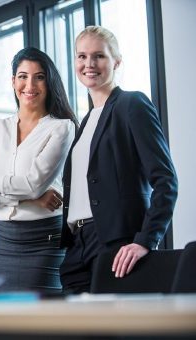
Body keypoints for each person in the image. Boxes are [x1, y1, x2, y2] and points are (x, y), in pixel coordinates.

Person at [59, 26, 178, 294]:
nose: (89, 64)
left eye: (99, 56)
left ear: (117, 61)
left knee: (115, 332)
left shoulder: (131, 104)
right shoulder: (87, 120)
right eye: (81, 56)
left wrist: (146, 240)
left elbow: (165, 181)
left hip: (115, 243)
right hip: (78, 247)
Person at [0, 47, 77, 293]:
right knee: (8, 322)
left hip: (44, 240)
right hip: (2, 240)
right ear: (13, 81)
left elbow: (32, 183)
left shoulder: (61, 128)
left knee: (42, 321)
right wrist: (33, 199)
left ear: (49, 82)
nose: (30, 85)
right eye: (23, 76)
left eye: (39, 76)